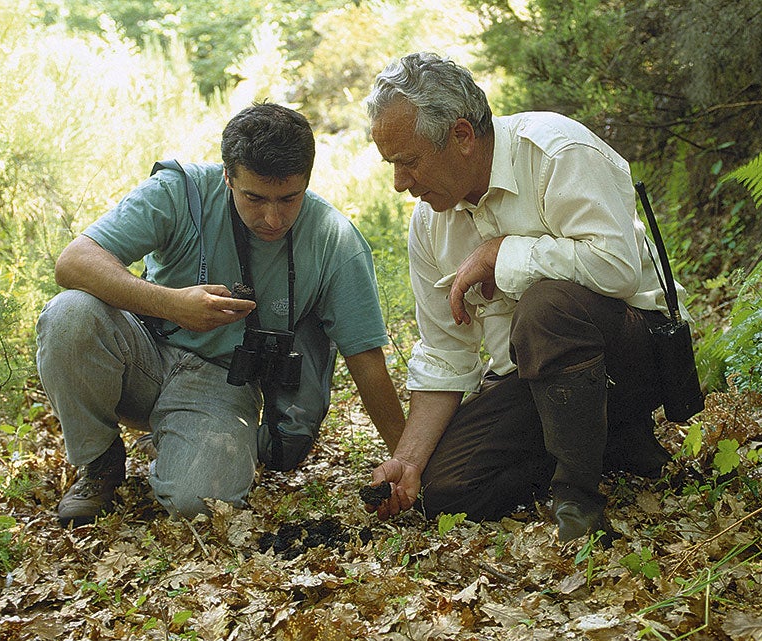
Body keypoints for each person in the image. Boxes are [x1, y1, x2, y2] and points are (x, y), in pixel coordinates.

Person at [364, 53, 689, 541]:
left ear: (462, 136)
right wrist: (407, 461)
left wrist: (503, 253)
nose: (399, 184)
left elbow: (618, 270)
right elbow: (445, 352)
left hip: (632, 356)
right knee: (445, 491)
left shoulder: (558, 152)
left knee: (545, 308)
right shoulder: (430, 223)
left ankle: (578, 500)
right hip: (534, 384)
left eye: (409, 162)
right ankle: (608, 446)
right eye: (392, 165)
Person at [37, 103, 405, 526]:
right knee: (69, 313)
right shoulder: (181, 192)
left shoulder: (333, 239)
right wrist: (171, 303)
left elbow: (367, 359)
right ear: (227, 175)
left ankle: (184, 445)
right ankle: (98, 463)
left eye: (289, 198)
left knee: (201, 505)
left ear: (307, 179)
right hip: (142, 354)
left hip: (222, 380)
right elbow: (74, 262)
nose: (273, 217)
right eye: (254, 197)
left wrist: (408, 461)